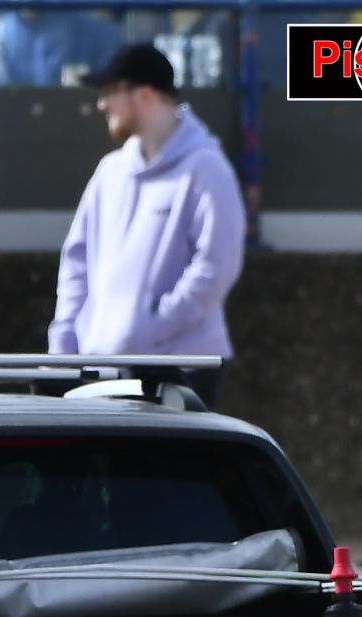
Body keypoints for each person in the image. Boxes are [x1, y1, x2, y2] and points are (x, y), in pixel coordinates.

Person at [49, 44, 245, 406]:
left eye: (110, 92)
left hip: (178, 371)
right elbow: (77, 262)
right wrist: (63, 350)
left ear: (144, 94)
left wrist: (149, 332)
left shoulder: (206, 169)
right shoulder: (110, 172)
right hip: (102, 370)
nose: (101, 104)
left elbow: (217, 265)